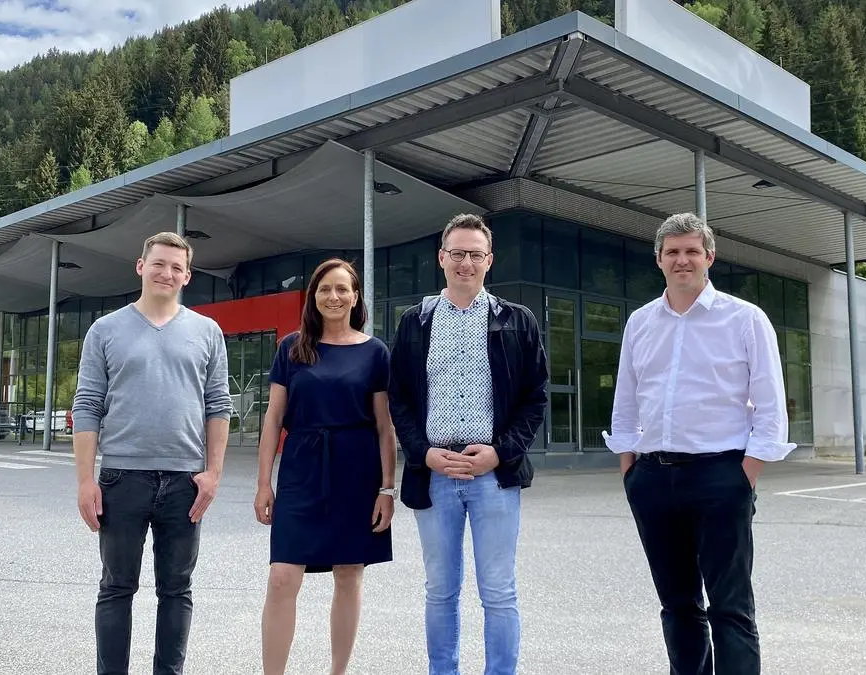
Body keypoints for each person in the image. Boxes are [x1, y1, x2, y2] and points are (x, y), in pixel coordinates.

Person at [604, 212, 796, 675]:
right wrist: (630, 467)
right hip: (653, 479)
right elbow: (626, 400)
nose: (682, 260)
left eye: (692, 251)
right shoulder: (641, 322)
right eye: (672, 251)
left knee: (731, 607)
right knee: (677, 605)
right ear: (658, 259)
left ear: (710, 257)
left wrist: (745, 473)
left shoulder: (745, 319)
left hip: (720, 476)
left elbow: (770, 405)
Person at [388, 213, 549, 675]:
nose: (466, 263)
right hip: (434, 474)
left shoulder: (517, 321)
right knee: (440, 591)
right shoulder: (416, 322)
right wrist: (423, 453)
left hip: (494, 476)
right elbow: (399, 398)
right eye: (457, 253)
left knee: (499, 591)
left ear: (489, 260)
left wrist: (501, 452)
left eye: (475, 255)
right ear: (441, 258)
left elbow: (535, 397)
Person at [72, 231, 233, 675]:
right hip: (122, 478)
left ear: (187, 276)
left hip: (186, 481)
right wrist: (85, 481)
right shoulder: (105, 330)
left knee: (177, 590)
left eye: (177, 267)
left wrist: (214, 474)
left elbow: (218, 405)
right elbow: (87, 404)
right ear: (141, 266)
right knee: (116, 588)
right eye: (159, 263)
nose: (167, 273)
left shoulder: (206, 331)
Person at [254, 258, 396, 675]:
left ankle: (338, 672)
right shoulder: (292, 348)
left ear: (355, 297)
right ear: (313, 297)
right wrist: (263, 483)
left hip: (358, 471)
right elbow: (272, 419)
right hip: (302, 467)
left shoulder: (375, 352)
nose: (333, 297)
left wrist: (387, 488)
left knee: (349, 573)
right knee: (282, 576)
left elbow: (384, 426)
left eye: (342, 289)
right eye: (324, 289)